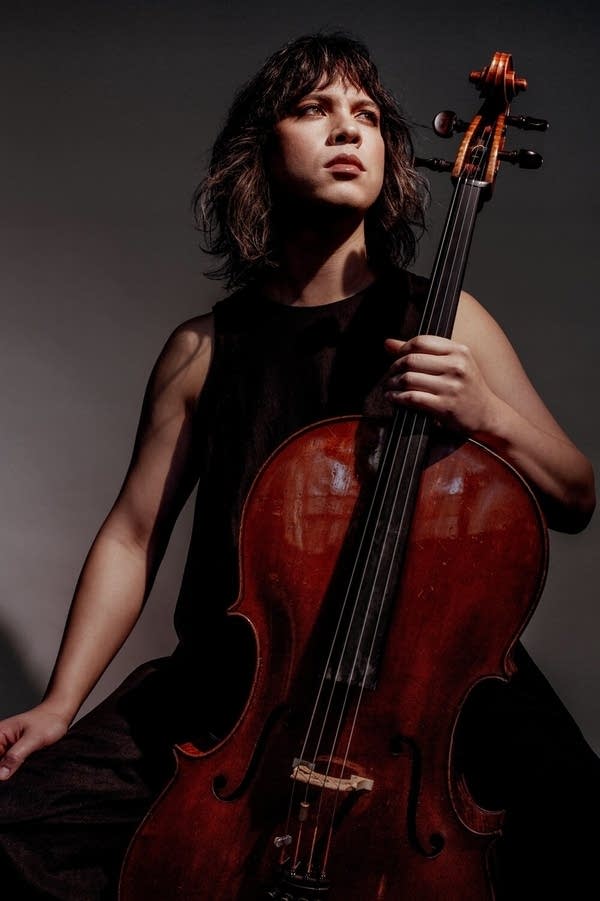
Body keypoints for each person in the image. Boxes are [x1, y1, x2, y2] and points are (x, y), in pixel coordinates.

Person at [0, 31, 597, 901]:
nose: (346, 130)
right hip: (243, 689)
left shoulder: (444, 317)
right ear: (259, 151)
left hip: (420, 697)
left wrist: (489, 415)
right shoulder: (205, 351)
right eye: (314, 109)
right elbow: (133, 536)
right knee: (25, 823)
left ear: (392, 155)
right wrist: (59, 704)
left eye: (365, 115)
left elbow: (576, 495)